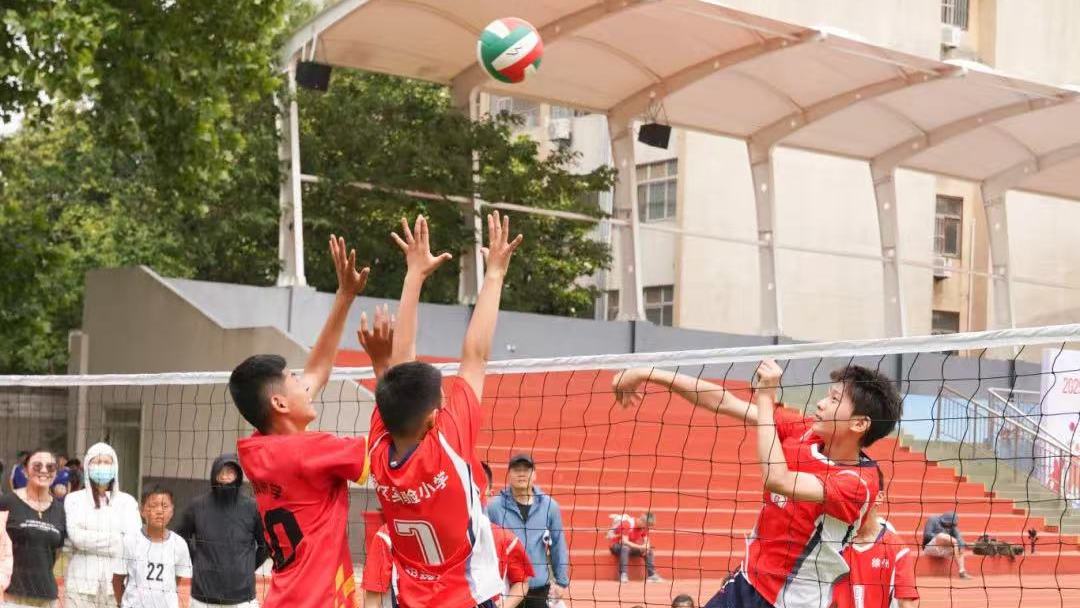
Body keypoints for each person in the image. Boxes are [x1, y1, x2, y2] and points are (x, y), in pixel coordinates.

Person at [614, 359, 902, 608]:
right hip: (748, 580)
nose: (821, 403)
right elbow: (724, 401)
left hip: (791, 600)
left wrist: (765, 396)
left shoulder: (858, 483)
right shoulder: (806, 433)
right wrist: (647, 372)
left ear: (859, 424)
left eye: (835, 400)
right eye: (827, 395)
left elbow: (777, 479)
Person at [368, 212, 520, 608]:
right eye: (441, 397)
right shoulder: (447, 443)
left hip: (411, 598)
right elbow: (476, 355)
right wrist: (495, 274)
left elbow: (402, 364)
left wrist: (414, 275)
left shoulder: (379, 451)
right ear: (434, 419)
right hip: (468, 596)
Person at [232, 233, 372, 608]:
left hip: (285, 597)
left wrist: (344, 297)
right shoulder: (311, 450)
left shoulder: (258, 448)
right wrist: (386, 366)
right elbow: (382, 451)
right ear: (279, 402)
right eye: (294, 379)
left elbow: (317, 370)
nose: (304, 383)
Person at [174, 453, 268, 608]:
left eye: (230, 472)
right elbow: (180, 538)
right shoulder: (197, 506)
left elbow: (266, 545)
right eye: (221, 472)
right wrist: (198, 562)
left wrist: (247, 567)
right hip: (203, 597)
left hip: (243, 598)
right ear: (214, 475)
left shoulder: (252, 507)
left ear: (238, 475)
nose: (225, 476)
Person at [486, 454, 570, 608]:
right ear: (508, 474)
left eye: (526, 470)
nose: (522, 474)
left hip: (539, 589)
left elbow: (558, 545)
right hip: (508, 589)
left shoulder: (550, 506)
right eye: (516, 470)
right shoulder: (493, 507)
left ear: (534, 475)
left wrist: (561, 582)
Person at [63, 442, 142, 608]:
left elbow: (133, 541)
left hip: (118, 585)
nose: (102, 466)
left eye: (107, 462)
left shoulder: (127, 501)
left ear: (115, 466)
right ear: (87, 465)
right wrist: (117, 538)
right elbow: (77, 538)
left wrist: (90, 540)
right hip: (80, 583)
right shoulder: (73, 499)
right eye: (97, 462)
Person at [833, 469, 919, 608]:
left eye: (860, 489)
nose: (851, 496)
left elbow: (906, 604)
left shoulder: (898, 550)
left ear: (879, 497)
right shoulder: (831, 544)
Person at [0, 449, 67, 607]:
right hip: (10, 595)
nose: (44, 470)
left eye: (50, 467)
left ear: (56, 473)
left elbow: (56, 551)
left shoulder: (60, 510)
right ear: (25, 471)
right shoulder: (6, 502)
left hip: (46, 596)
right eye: (37, 466)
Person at [112, 486, 192, 608]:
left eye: (165, 506)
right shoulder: (129, 541)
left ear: (172, 511)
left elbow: (184, 582)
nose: (159, 511)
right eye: (153, 506)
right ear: (142, 511)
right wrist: (122, 604)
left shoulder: (179, 544)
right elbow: (117, 580)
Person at [610, 511, 662, 583]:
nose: (646, 528)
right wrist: (640, 547)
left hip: (630, 546)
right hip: (616, 545)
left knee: (649, 551)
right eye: (646, 525)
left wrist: (646, 547)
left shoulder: (644, 527)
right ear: (642, 521)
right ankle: (623, 574)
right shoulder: (627, 523)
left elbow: (647, 540)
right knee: (625, 548)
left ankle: (652, 575)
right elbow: (625, 541)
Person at [921, 512, 969, 579]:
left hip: (943, 550)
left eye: (951, 524)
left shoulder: (952, 526)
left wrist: (961, 545)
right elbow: (927, 535)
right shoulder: (933, 519)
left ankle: (962, 572)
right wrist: (944, 538)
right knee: (941, 535)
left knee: (959, 548)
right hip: (930, 548)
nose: (950, 526)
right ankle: (950, 540)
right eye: (949, 523)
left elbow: (959, 537)